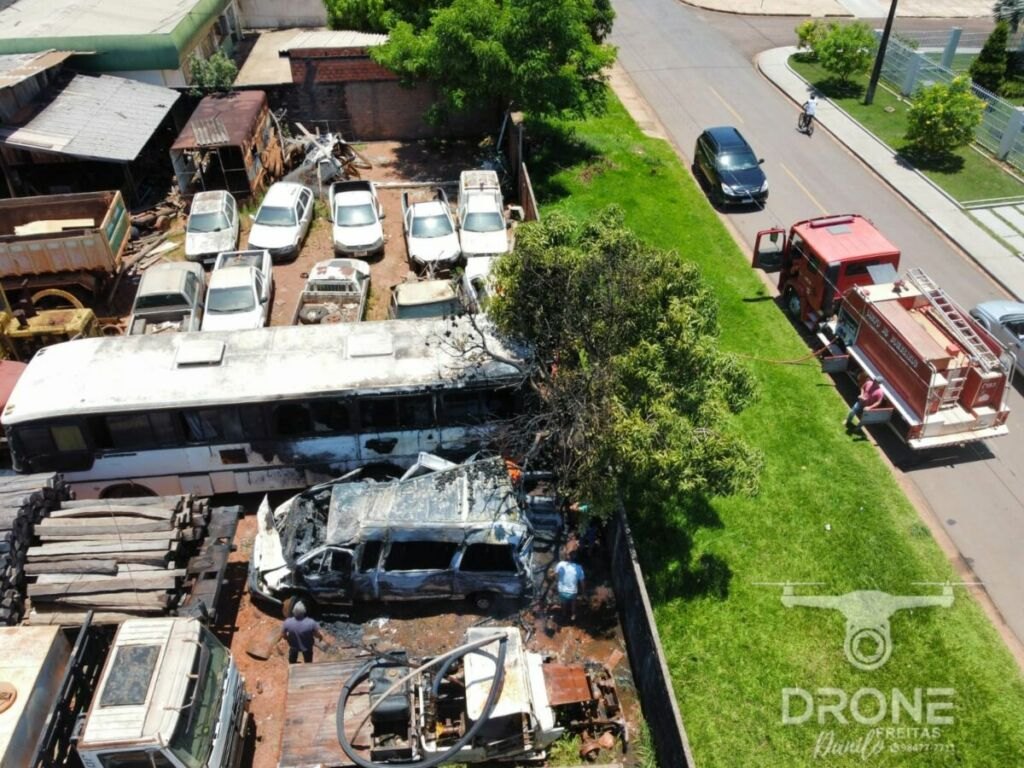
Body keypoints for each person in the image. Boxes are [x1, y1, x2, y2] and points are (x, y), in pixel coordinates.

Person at [554, 550, 585, 622]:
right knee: (573, 602)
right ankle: (573, 614)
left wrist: (557, 584)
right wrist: (583, 592)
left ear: (566, 557)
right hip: (572, 592)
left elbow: (555, 575)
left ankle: (564, 613)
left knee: (563, 602)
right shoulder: (579, 568)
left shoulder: (560, 564)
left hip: (562, 591)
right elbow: (582, 582)